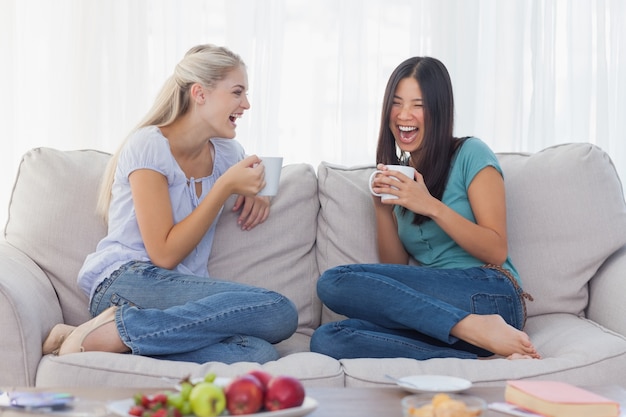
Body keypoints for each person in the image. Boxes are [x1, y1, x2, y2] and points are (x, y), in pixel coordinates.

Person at [42, 44, 298, 364]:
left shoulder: (228, 153)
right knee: (279, 311)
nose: (246, 104)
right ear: (200, 93)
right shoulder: (149, 146)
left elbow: (255, 175)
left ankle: (89, 336)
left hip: (175, 296)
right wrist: (224, 188)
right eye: (237, 92)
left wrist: (261, 191)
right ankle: (118, 331)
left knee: (256, 352)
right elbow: (164, 254)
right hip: (127, 280)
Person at [310, 56, 540, 361]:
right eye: (397, 103)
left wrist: (431, 206)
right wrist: (382, 208)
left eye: (418, 105)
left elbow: (496, 250)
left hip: (491, 292)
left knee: (334, 282)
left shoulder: (471, 153)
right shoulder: (404, 176)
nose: (405, 115)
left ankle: (476, 327)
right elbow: (395, 267)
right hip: (434, 312)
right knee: (329, 339)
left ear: (439, 110)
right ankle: (478, 346)